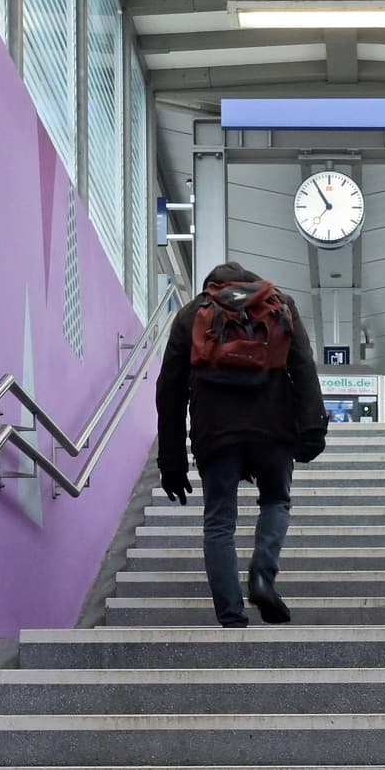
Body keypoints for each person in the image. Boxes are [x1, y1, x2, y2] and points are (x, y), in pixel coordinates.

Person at [156, 260, 329, 627]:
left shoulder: (192, 313)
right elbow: (303, 366)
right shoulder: (280, 304)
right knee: (276, 500)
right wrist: (312, 427)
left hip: (215, 431)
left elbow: (169, 389)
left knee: (219, 521)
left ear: (212, 285)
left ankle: (231, 615)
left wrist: (171, 460)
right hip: (273, 426)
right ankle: (263, 576)